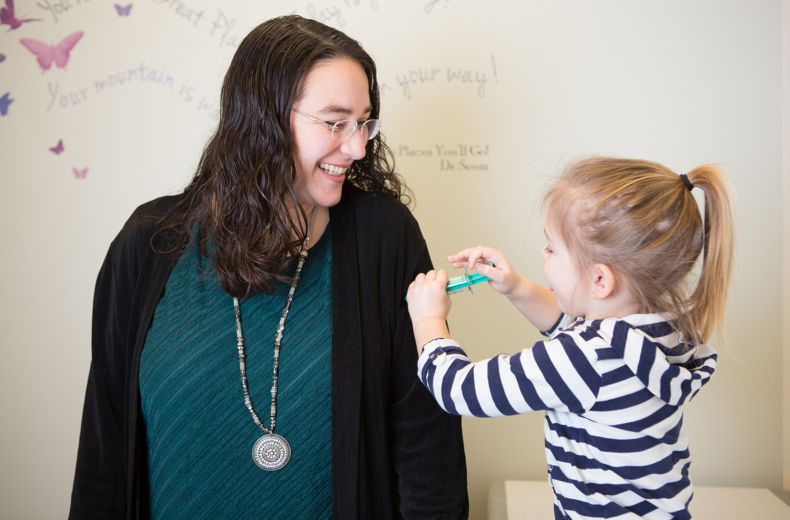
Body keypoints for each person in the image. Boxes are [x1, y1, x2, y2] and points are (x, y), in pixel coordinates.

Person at [69, 15, 468, 520]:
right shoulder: (147, 244)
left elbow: (428, 446)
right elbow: (105, 449)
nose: (358, 147)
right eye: (335, 121)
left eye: (364, 122)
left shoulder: (384, 238)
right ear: (265, 118)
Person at [406, 157, 734, 520]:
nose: (542, 255)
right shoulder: (661, 334)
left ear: (599, 281)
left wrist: (427, 319)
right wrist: (515, 288)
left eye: (551, 248)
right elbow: (572, 327)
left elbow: (460, 391)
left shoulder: (586, 359)